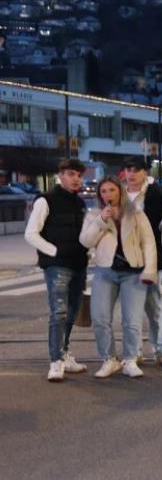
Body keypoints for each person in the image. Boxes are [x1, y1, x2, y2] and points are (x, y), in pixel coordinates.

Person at [80, 177, 158, 379]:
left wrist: (150, 270)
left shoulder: (136, 213)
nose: (108, 194)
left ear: (120, 192)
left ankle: (130, 359)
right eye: (103, 191)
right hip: (105, 271)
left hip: (133, 272)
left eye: (112, 190)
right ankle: (109, 359)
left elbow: (148, 243)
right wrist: (101, 220)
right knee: (100, 318)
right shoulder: (94, 215)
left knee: (132, 319)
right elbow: (86, 241)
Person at [26, 159, 90, 382]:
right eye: (71, 174)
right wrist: (54, 252)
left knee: (72, 312)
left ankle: (64, 353)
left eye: (79, 175)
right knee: (59, 313)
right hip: (57, 266)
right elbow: (31, 233)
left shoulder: (80, 203)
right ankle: (56, 361)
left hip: (79, 264)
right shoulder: (46, 200)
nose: (76, 179)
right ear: (60, 175)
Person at [121, 156, 162, 367]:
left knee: (154, 307)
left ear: (145, 172)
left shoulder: (156, 194)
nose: (131, 174)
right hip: (125, 259)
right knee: (130, 311)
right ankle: (134, 351)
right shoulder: (119, 192)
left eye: (136, 170)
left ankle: (161, 350)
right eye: (128, 169)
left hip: (149, 258)